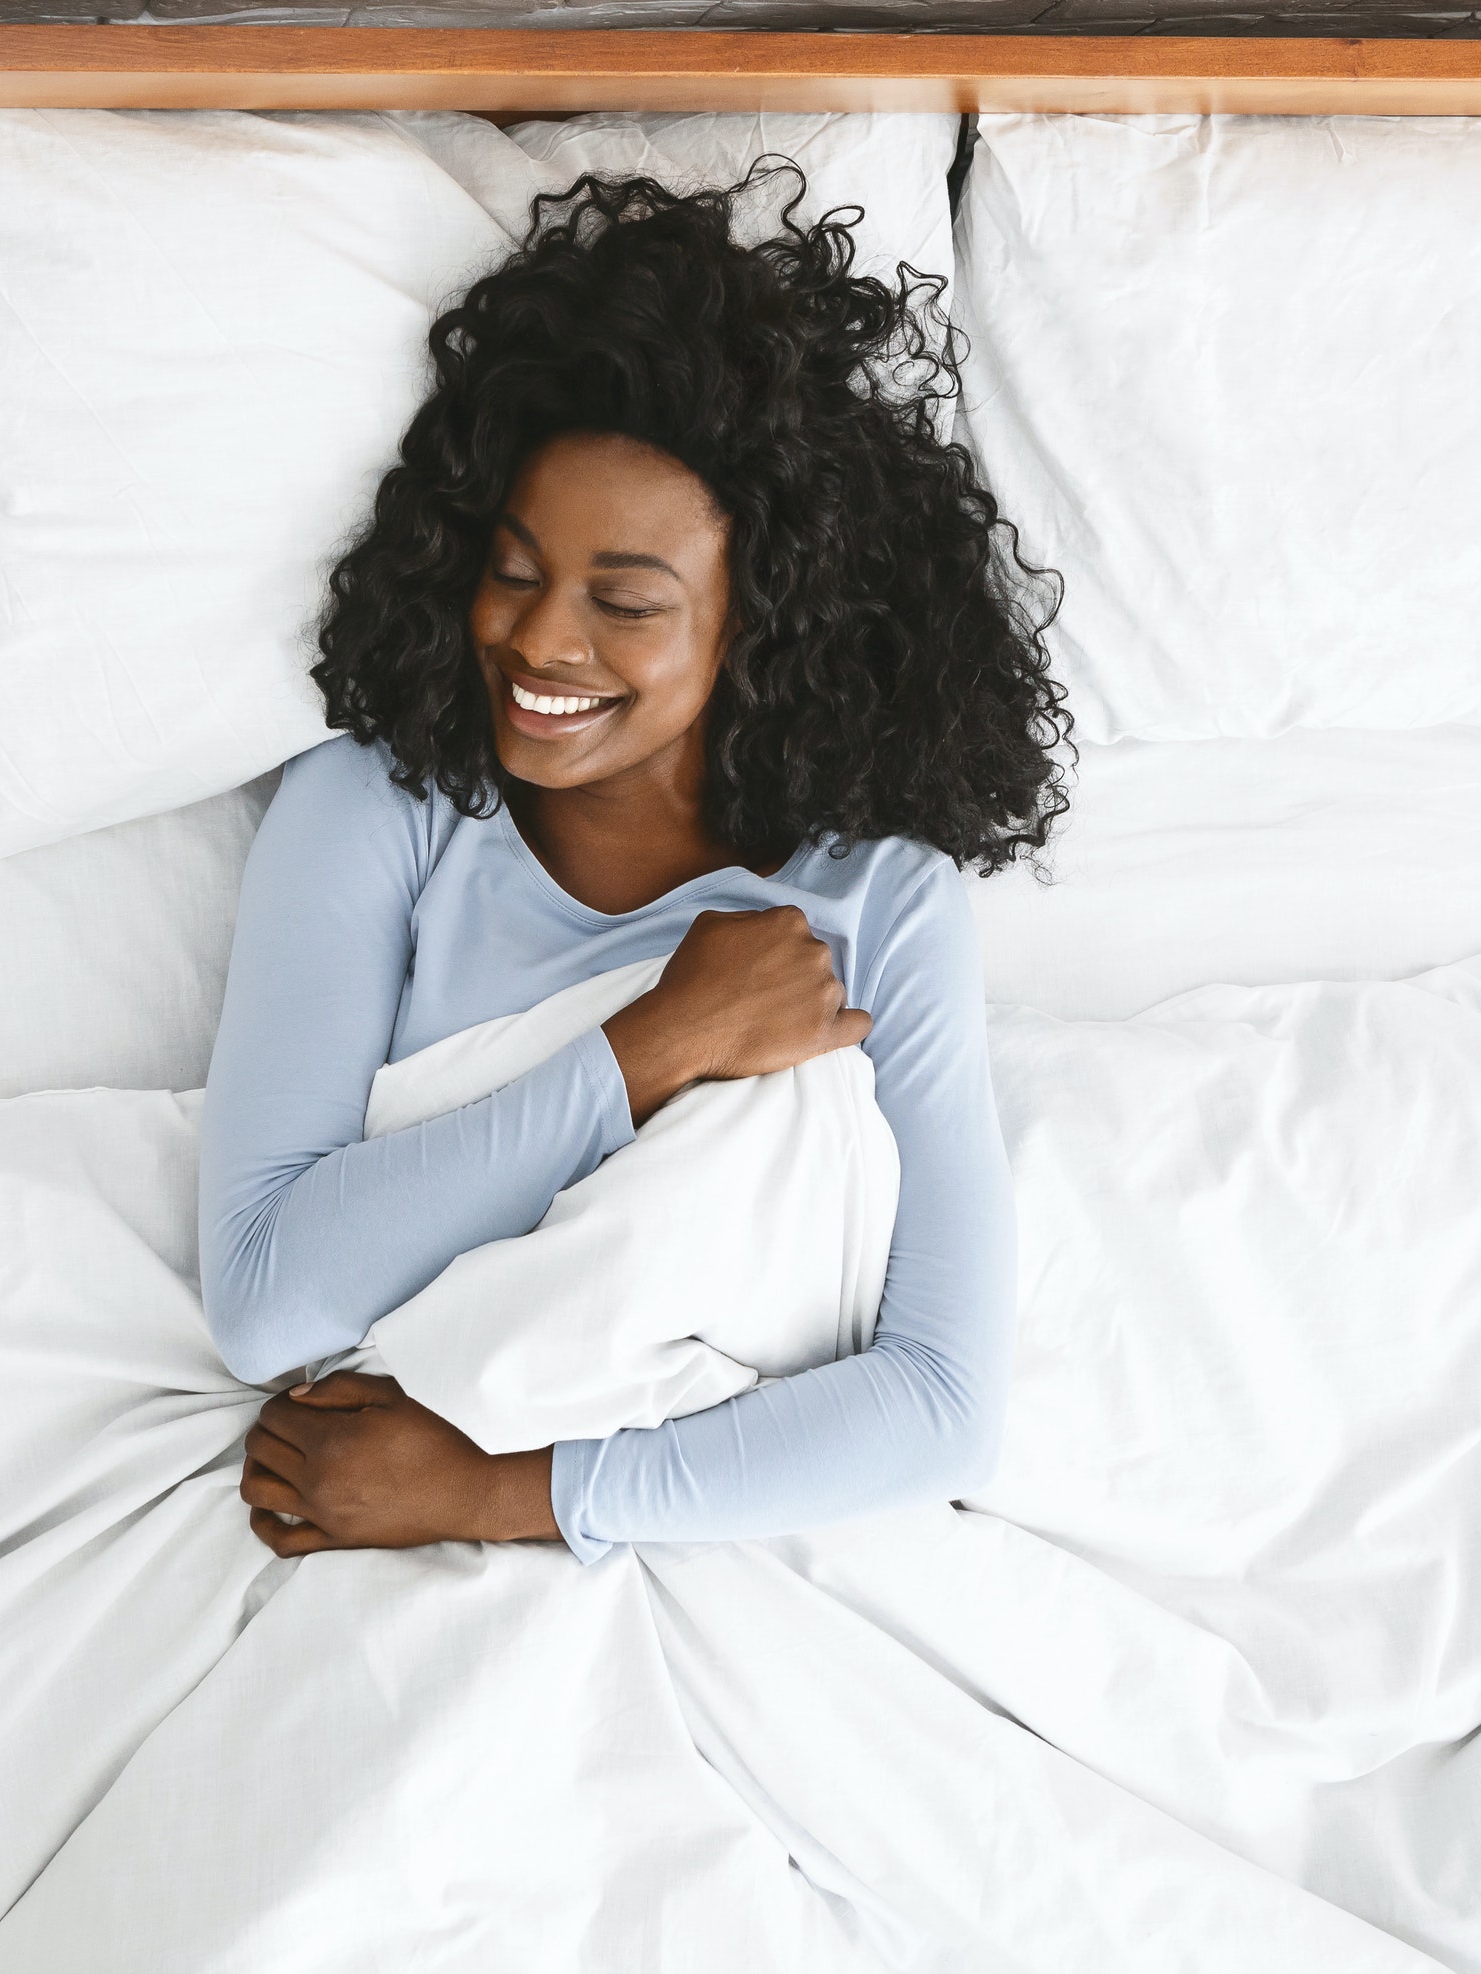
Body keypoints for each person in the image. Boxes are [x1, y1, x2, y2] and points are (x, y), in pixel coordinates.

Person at [201, 169, 1071, 1565]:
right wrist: (655, 1046)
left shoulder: (881, 902)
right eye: (514, 571)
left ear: (757, 622)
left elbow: (939, 1407)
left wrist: (498, 1494)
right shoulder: (381, 805)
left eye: (624, 602)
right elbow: (263, 1297)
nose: (542, 642)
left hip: (674, 1516)